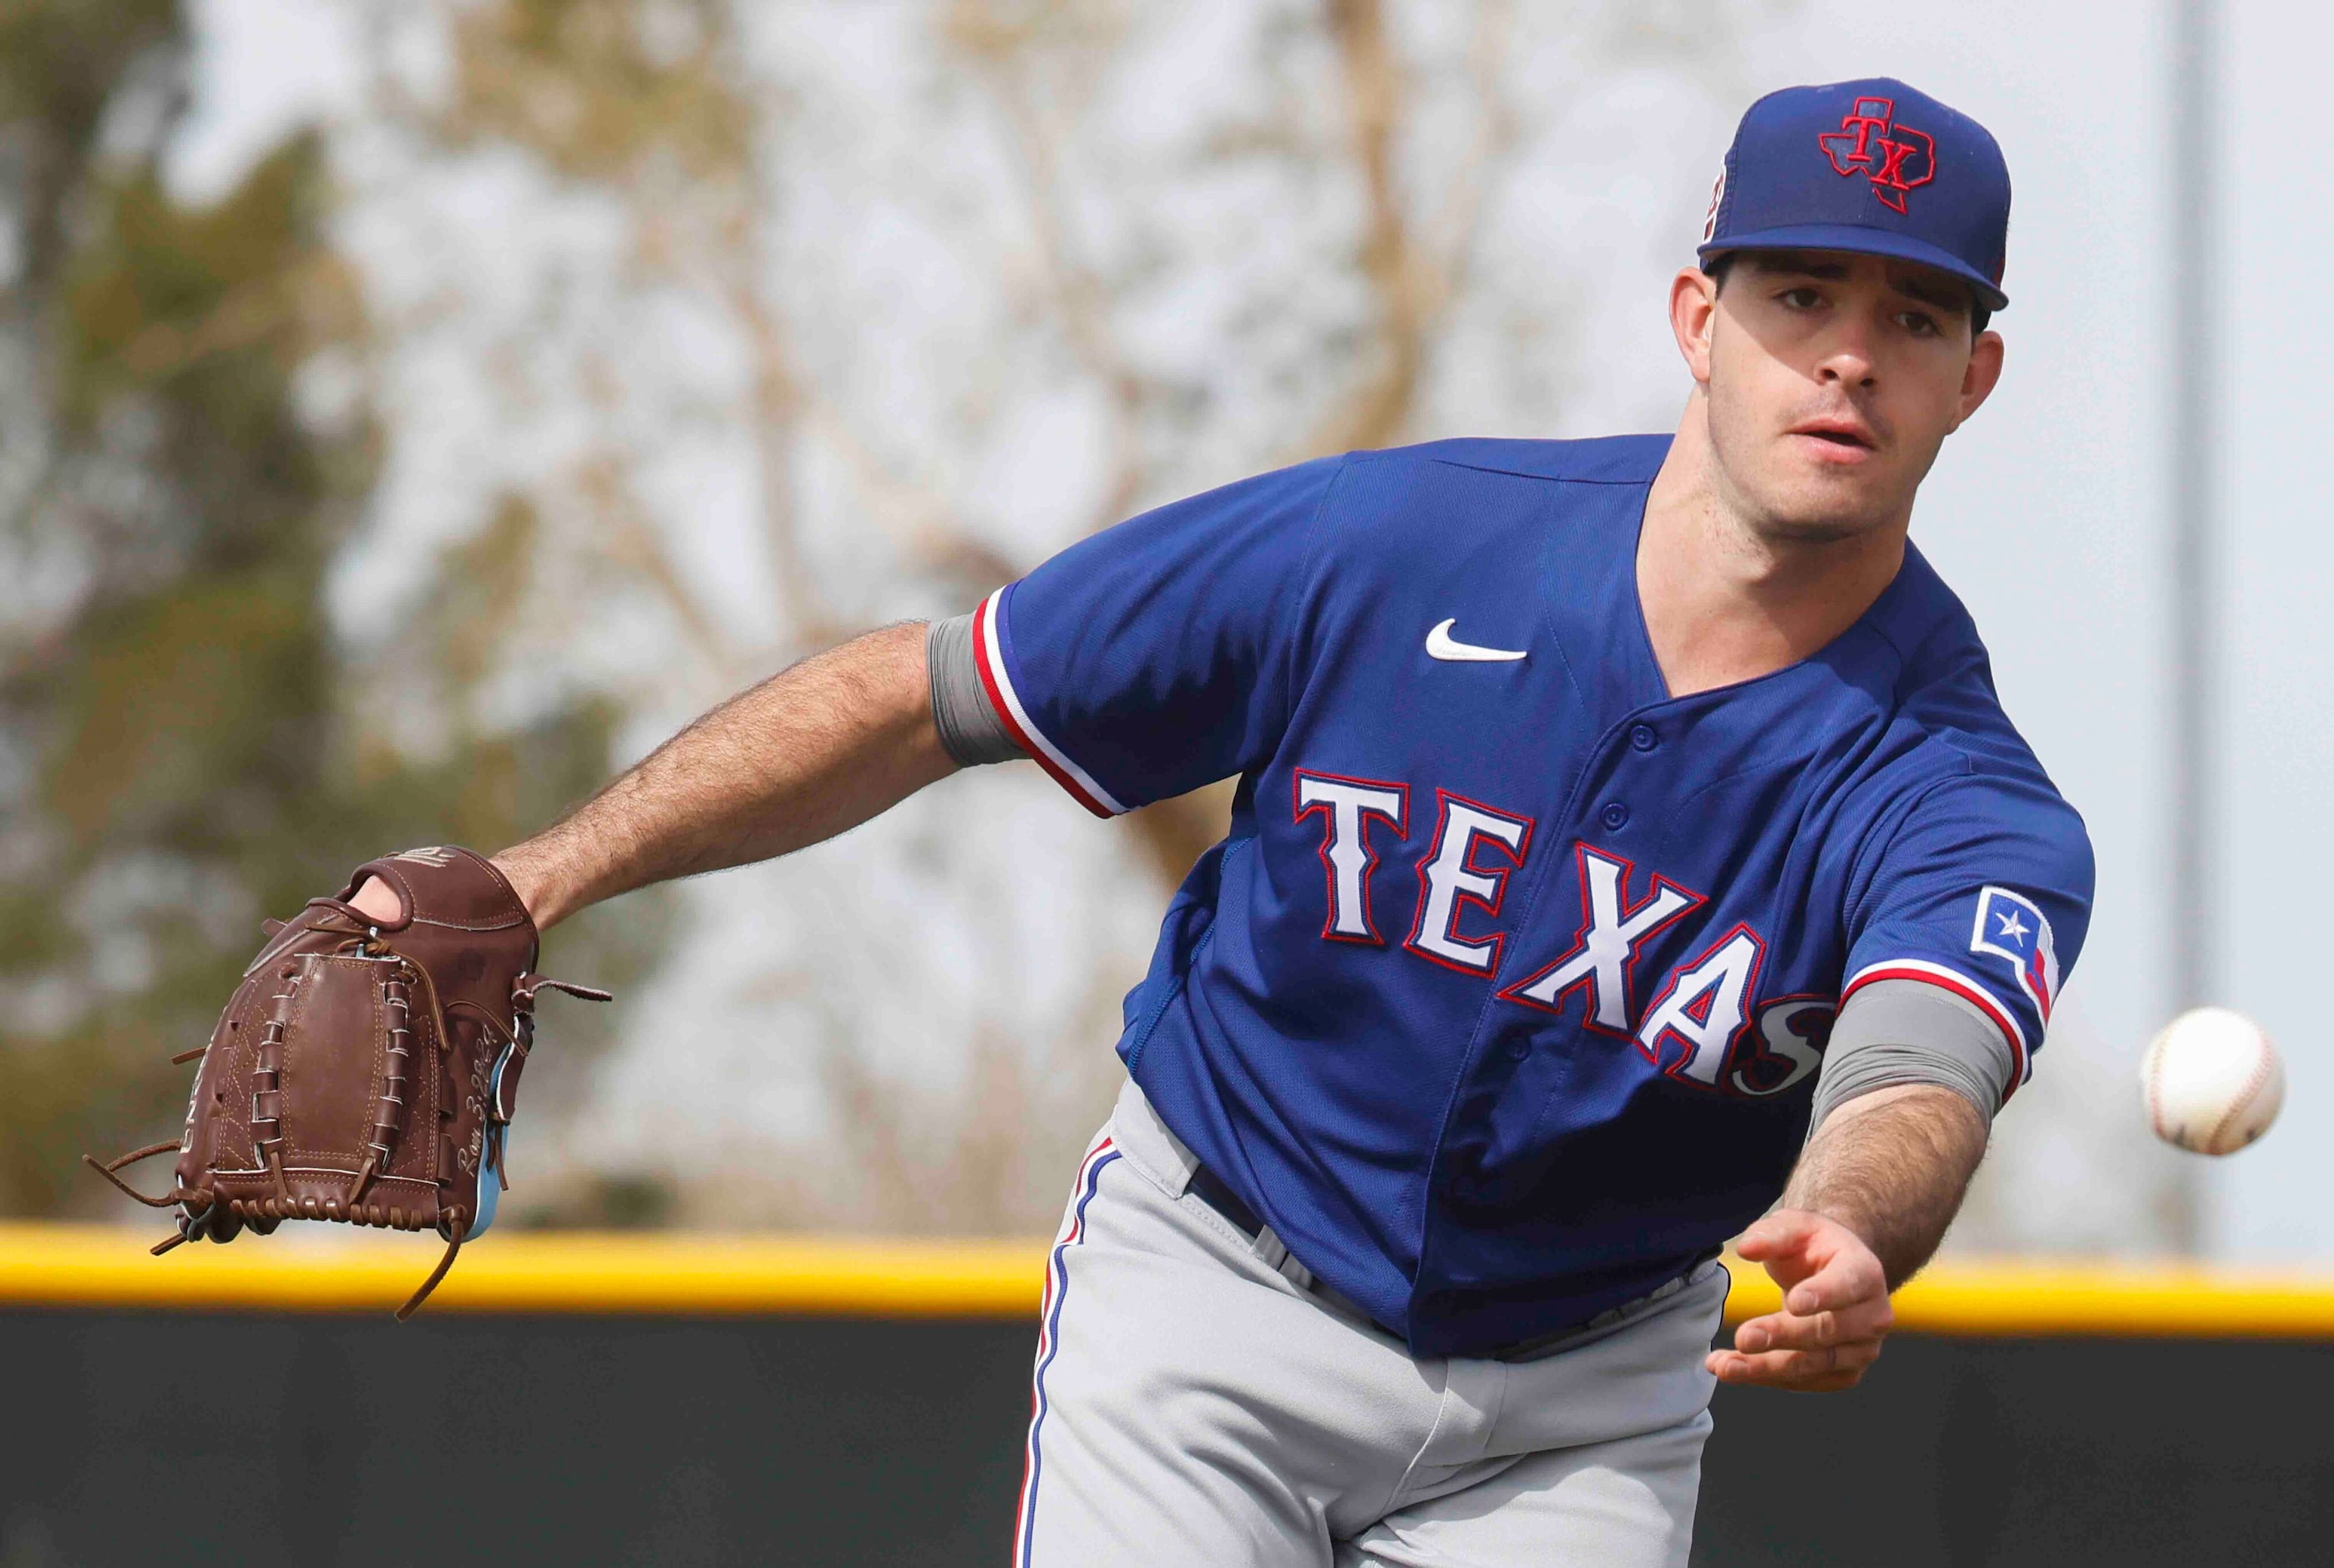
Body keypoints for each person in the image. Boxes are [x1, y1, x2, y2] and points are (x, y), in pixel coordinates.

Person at [352, 77, 2092, 1565]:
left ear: (1972, 381)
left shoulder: (1951, 783)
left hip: (1577, 1401)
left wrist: (1856, 1224)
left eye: (1912, 320)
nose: (1848, 361)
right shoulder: (1392, 547)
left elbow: (1919, 1068)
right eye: (1800, 295)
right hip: (1215, 1292)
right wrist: (541, 872)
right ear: (1696, 323)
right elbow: (935, 693)